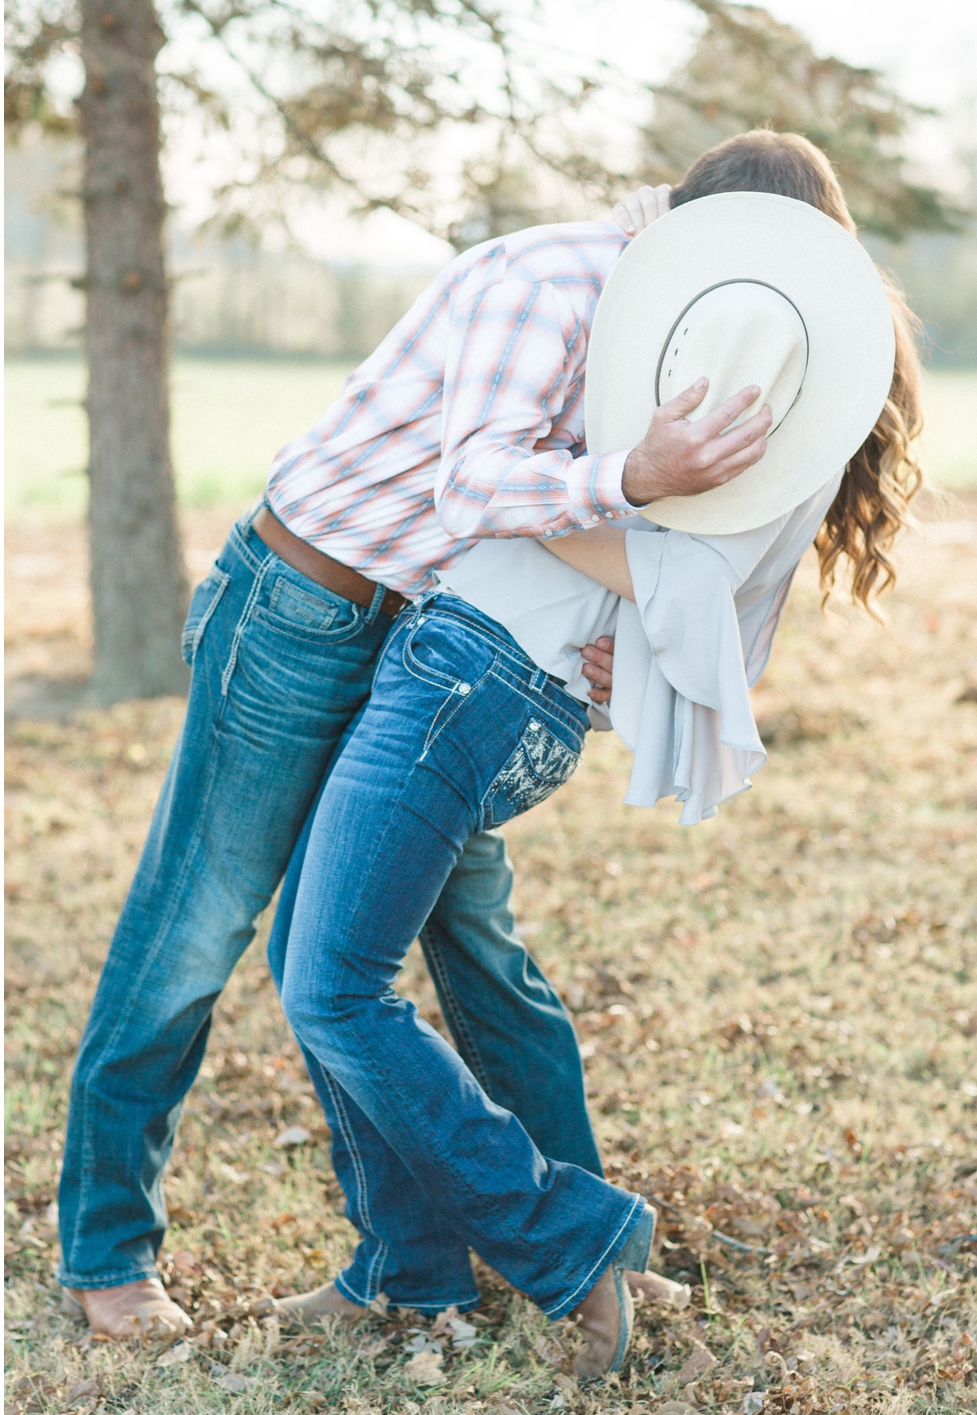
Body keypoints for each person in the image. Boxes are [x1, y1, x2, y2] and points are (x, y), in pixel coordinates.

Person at [56, 135, 813, 1340]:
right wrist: (633, 471)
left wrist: (628, 652)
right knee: (197, 921)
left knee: (476, 947)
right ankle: (106, 1251)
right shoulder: (549, 285)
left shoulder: (684, 340)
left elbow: (607, 545)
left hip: (440, 650)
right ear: (684, 232)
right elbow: (476, 487)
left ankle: (545, 1246)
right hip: (308, 609)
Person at [276, 135, 921, 1379]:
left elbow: (615, 543)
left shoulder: (698, 395)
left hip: (465, 673)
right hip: (507, 692)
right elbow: (701, 596)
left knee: (331, 985)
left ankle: (574, 1241)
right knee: (362, 950)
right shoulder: (785, 401)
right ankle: (405, 1271)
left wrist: (593, 486)